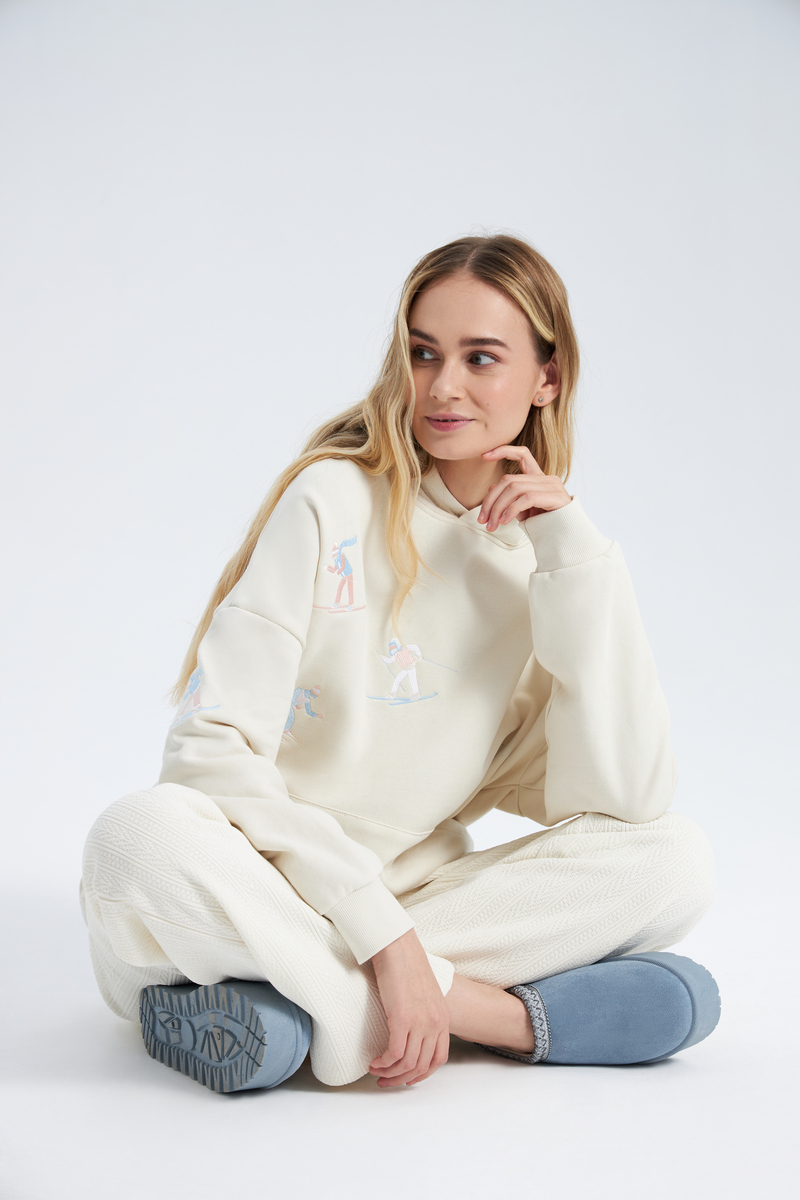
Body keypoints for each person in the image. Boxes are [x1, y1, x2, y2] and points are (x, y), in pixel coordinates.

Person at [79, 233, 720, 1094]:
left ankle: (292, 1007)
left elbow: (625, 800)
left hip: (409, 908)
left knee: (676, 859)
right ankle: (496, 1018)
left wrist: (578, 554)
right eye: (423, 353)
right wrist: (384, 943)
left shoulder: (546, 572)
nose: (442, 386)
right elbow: (206, 755)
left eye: (480, 358)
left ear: (548, 377)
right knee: (135, 836)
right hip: (250, 885)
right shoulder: (331, 497)